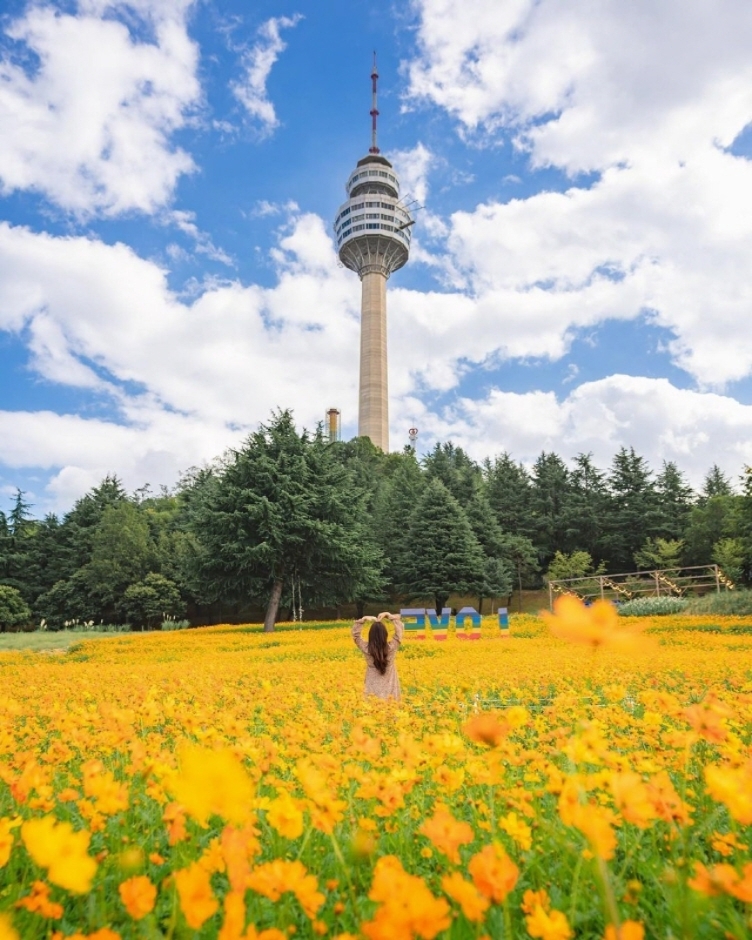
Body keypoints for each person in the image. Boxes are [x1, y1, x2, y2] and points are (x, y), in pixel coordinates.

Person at [351, 612, 404, 701]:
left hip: (372, 688)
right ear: (385, 634)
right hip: (391, 688)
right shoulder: (391, 647)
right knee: (392, 711)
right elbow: (399, 633)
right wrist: (389, 616)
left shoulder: (366, 649)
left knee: (373, 712)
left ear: (370, 635)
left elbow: (356, 636)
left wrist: (362, 620)